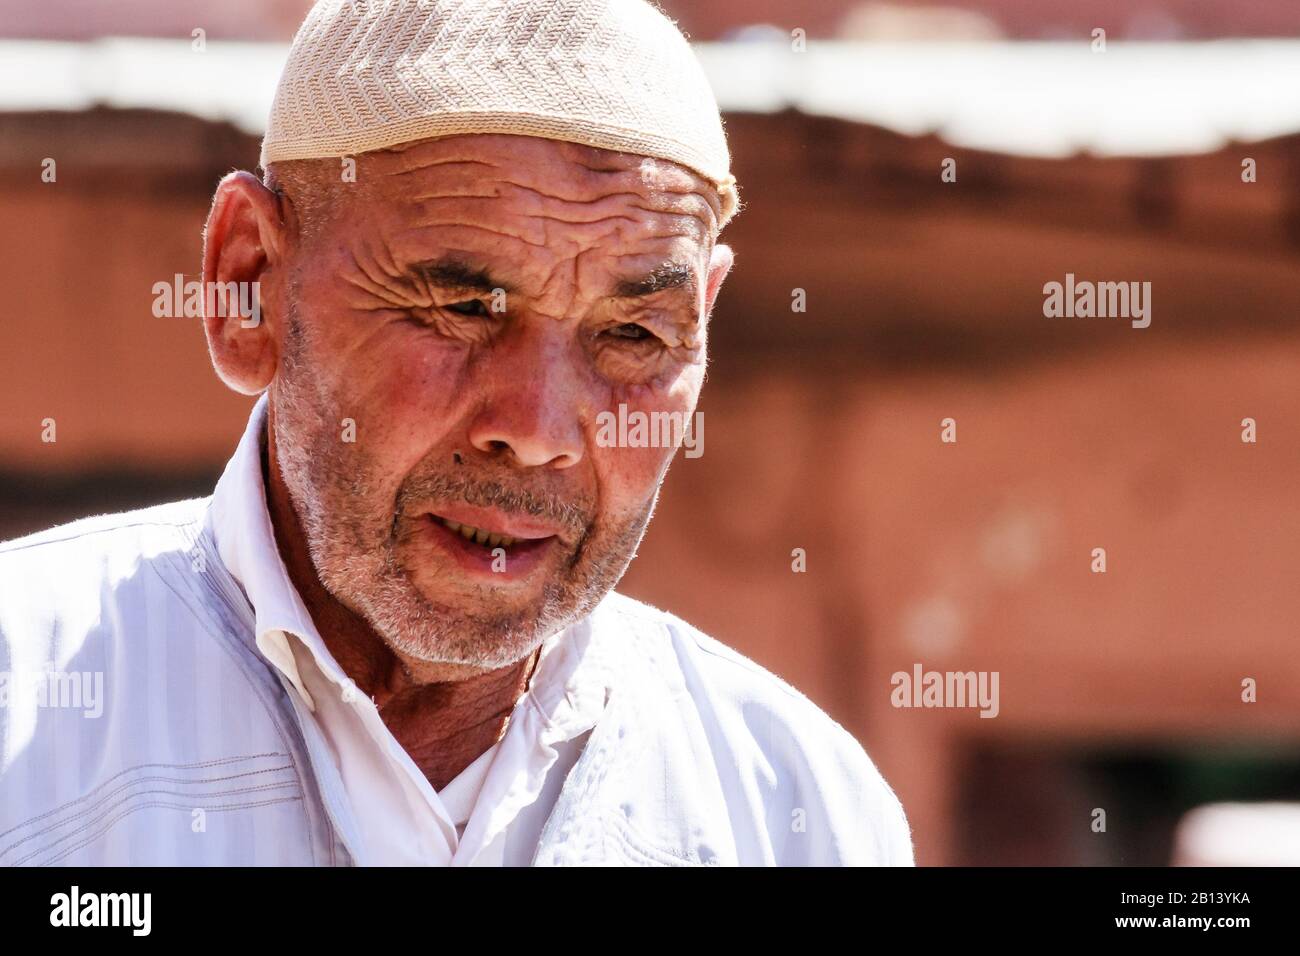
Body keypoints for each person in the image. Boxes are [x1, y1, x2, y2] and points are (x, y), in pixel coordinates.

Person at [0, 0, 912, 866]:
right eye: (463, 306)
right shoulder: (23, 709)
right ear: (251, 282)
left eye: (634, 335)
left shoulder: (799, 811)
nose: (537, 431)